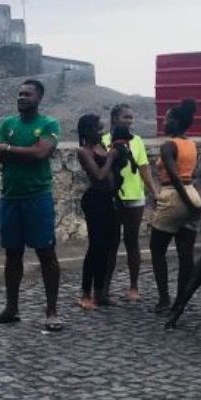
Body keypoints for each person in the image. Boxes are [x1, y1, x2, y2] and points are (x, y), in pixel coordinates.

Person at [0, 79, 64, 332]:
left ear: (39, 99)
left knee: (46, 253)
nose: (22, 98)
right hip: (10, 197)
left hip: (37, 197)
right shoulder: (8, 124)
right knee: (12, 254)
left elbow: (41, 153)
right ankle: (11, 308)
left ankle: (51, 310)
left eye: (27, 94)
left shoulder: (48, 124)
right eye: (20, 94)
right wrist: (20, 151)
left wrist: (8, 149)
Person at [150, 98, 201, 313]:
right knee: (186, 253)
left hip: (175, 196)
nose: (164, 122)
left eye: (167, 118)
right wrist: (193, 202)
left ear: (176, 121)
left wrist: (187, 202)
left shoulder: (168, 145)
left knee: (157, 249)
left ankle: (164, 299)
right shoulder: (190, 144)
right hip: (192, 192)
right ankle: (182, 299)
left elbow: (173, 175)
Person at [102, 104, 159, 302]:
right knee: (111, 242)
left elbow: (144, 168)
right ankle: (105, 287)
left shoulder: (137, 141)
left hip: (134, 196)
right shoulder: (104, 141)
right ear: (115, 118)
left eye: (131, 118)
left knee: (132, 241)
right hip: (113, 197)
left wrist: (153, 191)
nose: (129, 121)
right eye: (125, 117)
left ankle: (134, 286)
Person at [76, 113, 119, 309]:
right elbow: (99, 176)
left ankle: (100, 292)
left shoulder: (103, 147)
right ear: (88, 131)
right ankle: (85, 293)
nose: (102, 132)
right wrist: (110, 157)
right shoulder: (84, 151)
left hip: (109, 200)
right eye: (98, 129)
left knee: (109, 246)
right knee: (96, 247)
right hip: (95, 200)